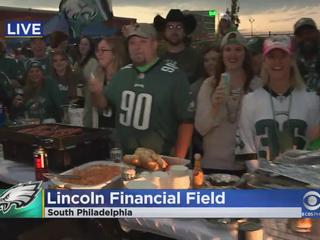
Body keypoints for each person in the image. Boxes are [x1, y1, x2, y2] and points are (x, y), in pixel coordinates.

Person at [88, 23, 194, 157]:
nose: (137, 47)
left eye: (143, 42)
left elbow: (186, 122)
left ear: (154, 44)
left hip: (161, 160)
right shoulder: (122, 74)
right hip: (127, 159)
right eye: (132, 43)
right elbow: (103, 105)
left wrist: (177, 161)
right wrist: (96, 93)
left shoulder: (174, 76)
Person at [236, 35, 320, 172]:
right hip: (262, 183)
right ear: (264, 61)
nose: (277, 62)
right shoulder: (250, 101)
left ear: (292, 60)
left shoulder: (311, 100)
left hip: (301, 183)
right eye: (272, 57)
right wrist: (261, 176)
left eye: (283, 56)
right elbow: (247, 147)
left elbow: (314, 146)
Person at [195, 31, 253, 175]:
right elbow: (201, 128)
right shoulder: (209, 85)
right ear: (222, 55)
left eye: (238, 49)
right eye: (228, 50)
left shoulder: (256, 85)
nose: (232, 55)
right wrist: (215, 106)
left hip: (247, 167)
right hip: (212, 165)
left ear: (245, 54)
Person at [83, 37, 127, 129]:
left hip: (121, 134)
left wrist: (98, 93)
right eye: (97, 50)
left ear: (115, 53)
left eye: (103, 50)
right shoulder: (97, 76)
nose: (99, 54)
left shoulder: (125, 77)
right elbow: (93, 108)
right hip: (102, 132)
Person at [153, 9, 202, 84]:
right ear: (164, 31)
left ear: (185, 31)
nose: (174, 31)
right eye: (170, 27)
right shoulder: (156, 57)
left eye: (179, 27)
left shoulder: (196, 58)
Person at [293, 17, 320, 91]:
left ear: (318, 33)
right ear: (296, 39)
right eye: (300, 35)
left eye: (309, 32)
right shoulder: (292, 62)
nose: (305, 37)